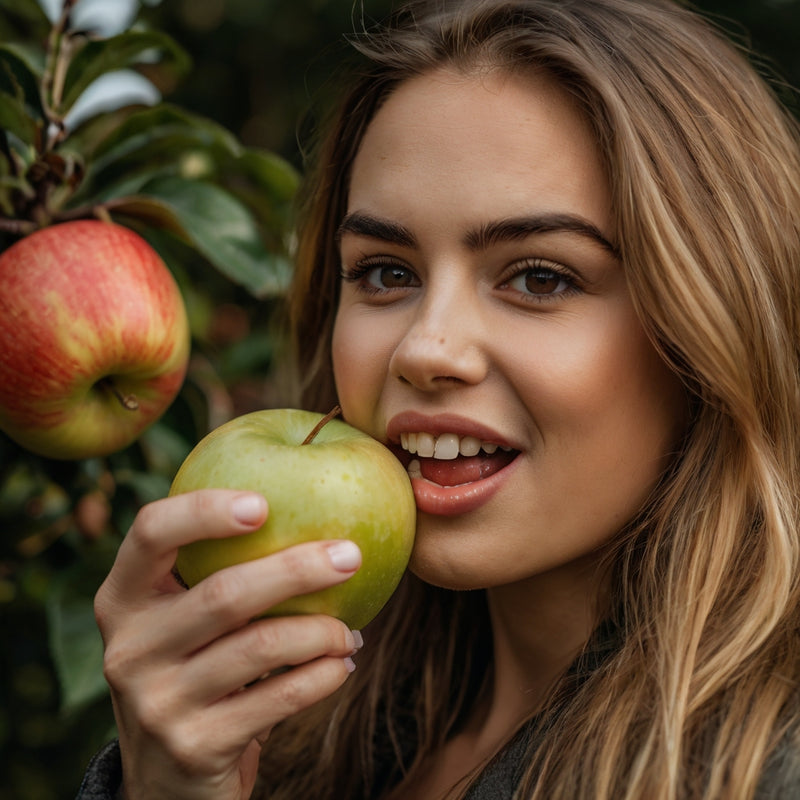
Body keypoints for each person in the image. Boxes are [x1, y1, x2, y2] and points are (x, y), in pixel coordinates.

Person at [77, 0, 800, 797]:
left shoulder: (763, 769)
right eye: (387, 272)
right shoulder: (292, 745)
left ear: (713, 323)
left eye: (540, 277)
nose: (424, 350)